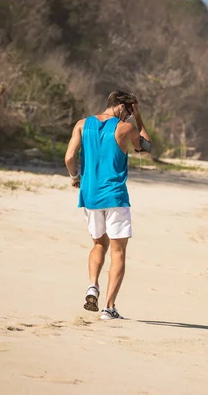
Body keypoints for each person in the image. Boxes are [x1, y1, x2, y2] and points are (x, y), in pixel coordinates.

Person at [64, 90, 152, 320]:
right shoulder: (125, 128)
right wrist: (140, 118)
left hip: (90, 195)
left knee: (98, 244)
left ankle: (92, 285)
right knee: (118, 251)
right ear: (122, 107)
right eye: (129, 110)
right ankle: (108, 308)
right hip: (115, 196)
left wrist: (75, 178)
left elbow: (69, 157)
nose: (130, 115)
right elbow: (146, 147)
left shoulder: (82, 124)